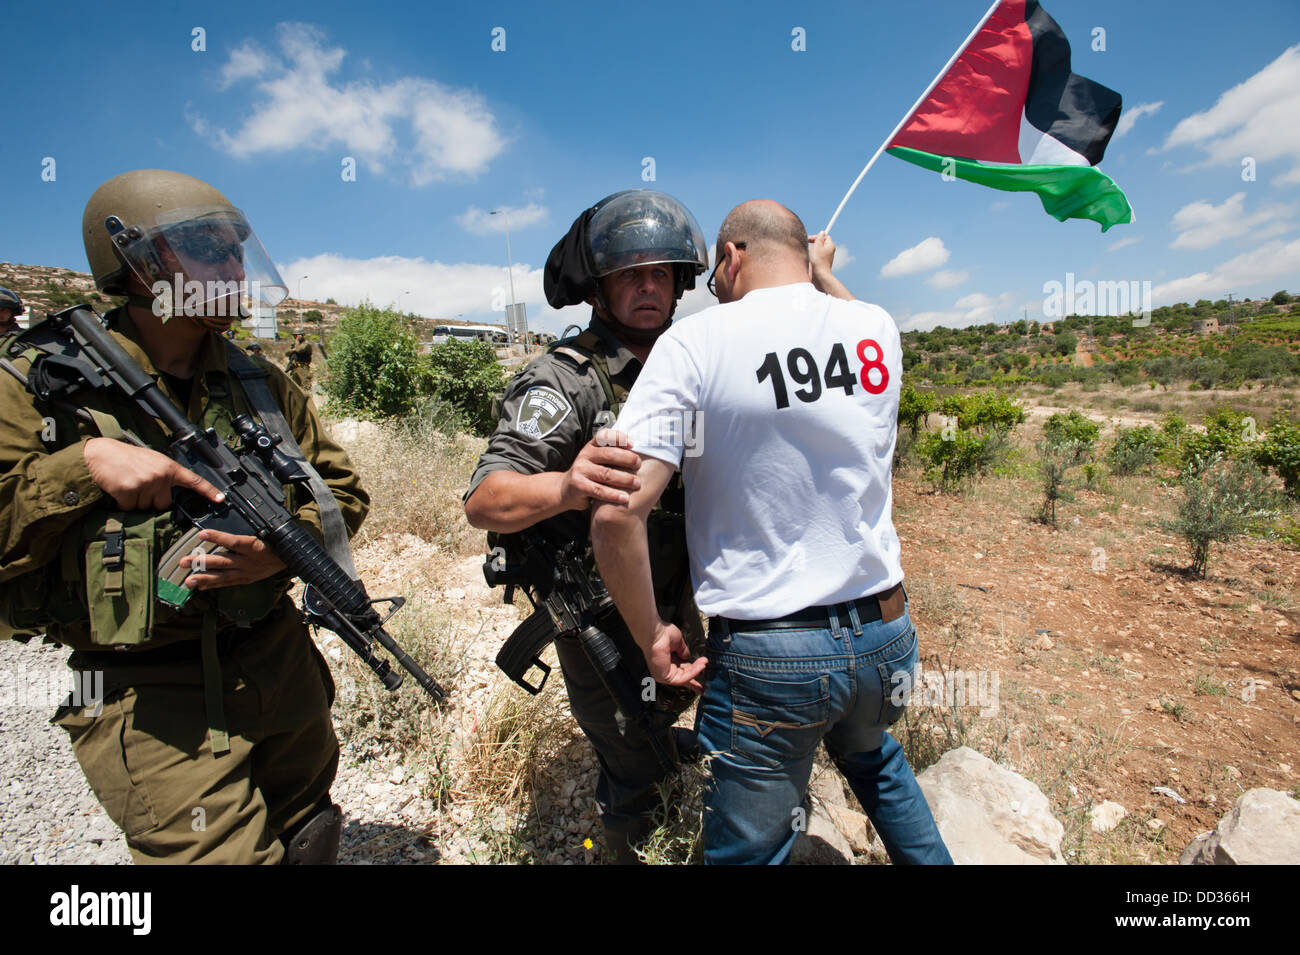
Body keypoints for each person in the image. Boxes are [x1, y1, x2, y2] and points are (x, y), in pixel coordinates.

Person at [0, 169, 369, 864]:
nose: (234, 268)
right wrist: (82, 467)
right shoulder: (31, 386)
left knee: (308, 832)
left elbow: (340, 493)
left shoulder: (257, 382)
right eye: (210, 250)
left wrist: (280, 551)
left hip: (275, 658)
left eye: (238, 250)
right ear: (141, 266)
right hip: (141, 684)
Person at [591, 199, 953, 865]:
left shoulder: (697, 343)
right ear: (806, 257)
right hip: (885, 639)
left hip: (772, 659)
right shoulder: (875, 328)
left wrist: (651, 636)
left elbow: (617, 511)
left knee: (749, 854)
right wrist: (822, 274)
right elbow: (857, 322)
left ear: (730, 256)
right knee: (876, 763)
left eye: (713, 276)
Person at [464, 190, 709, 863]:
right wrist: (566, 486)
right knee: (635, 772)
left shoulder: (691, 364)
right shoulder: (564, 380)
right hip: (601, 613)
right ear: (598, 288)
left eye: (661, 272)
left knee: (680, 732)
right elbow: (485, 497)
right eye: (630, 273)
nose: (649, 286)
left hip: (688, 596)